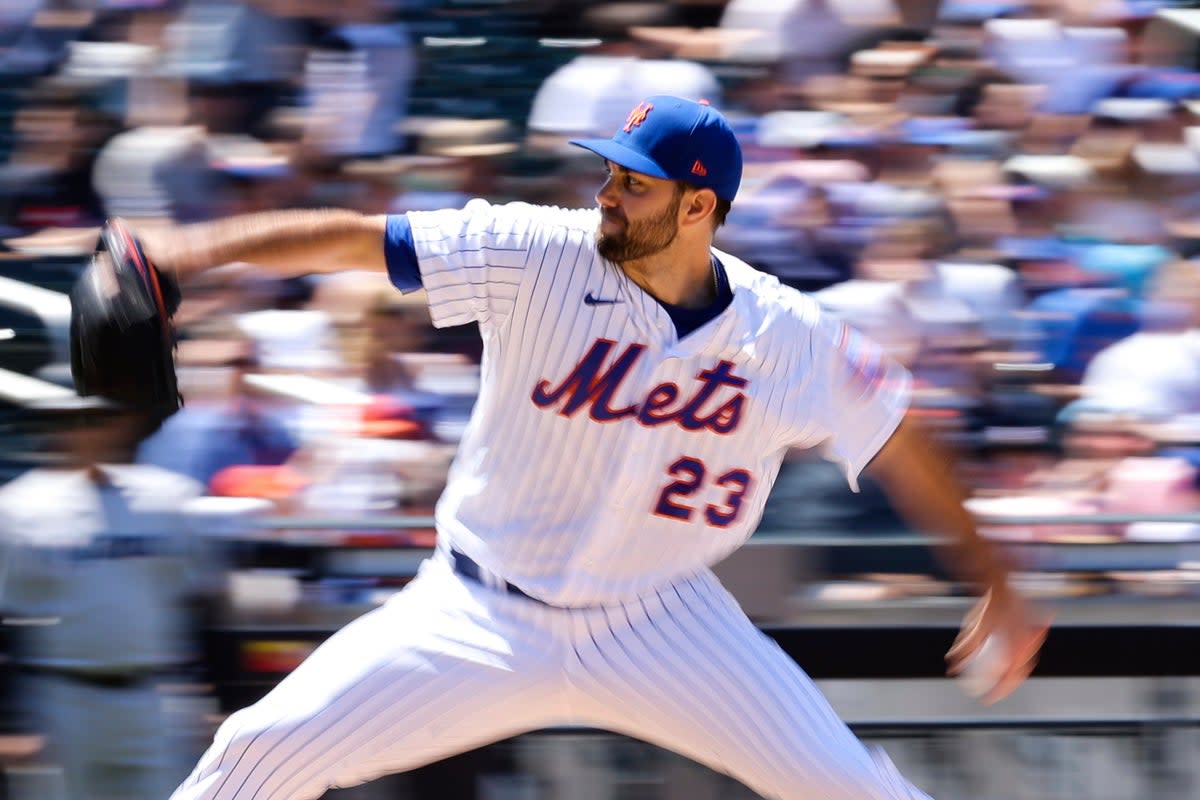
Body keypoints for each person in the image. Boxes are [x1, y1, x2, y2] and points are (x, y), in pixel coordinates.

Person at [143, 95, 1049, 800]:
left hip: (664, 621)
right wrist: (177, 257)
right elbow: (352, 239)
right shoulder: (536, 249)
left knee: (849, 787)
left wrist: (999, 581)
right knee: (256, 753)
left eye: (635, 184)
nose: (608, 197)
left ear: (699, 206)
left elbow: (904, 436)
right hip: (475, 611)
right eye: (609, 175)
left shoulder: (789, 335)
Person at [0, 396, 218, 800]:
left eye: (95, 418)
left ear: (123, 423)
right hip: (61, 697)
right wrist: (13, 725)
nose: (82, 431)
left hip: (156, 697)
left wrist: (212, 697)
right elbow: (7, 619)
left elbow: (201, 602)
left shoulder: (169, 498)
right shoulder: (16, 507)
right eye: (66, 420)